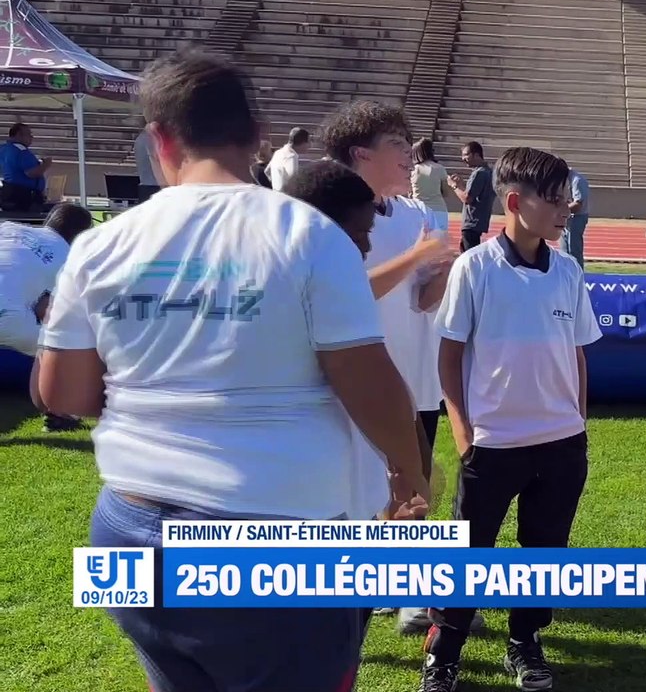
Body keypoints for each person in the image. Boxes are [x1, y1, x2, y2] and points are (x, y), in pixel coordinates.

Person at [36, 49, 433, 692]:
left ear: (157, 140)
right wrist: (409, 472)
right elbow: (368, 379)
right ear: (256, 137)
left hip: (130, 531)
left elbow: (63, 392)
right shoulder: (305, 234)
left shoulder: (102, 244)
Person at [420, 147, 601, 692]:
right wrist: (462, 431)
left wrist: (579, 421)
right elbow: (449, 355)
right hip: (492, 445)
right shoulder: (476, 267)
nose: (566, 206)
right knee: (471, 555)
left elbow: (578, 354)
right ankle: (445, 650)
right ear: (517, 202)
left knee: (543, 554)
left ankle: (525, 641)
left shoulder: (567, 271)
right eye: (554, 197)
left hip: (561, 444)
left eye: (567, 195)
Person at [319, 101, 453, 611]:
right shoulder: (323, 216)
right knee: (352, 494)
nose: (409, 154)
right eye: (397, 144)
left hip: (414, 379)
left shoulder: (417, 214)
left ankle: (409, 592)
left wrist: (442, 268)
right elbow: (342, 292)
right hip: (353, 382)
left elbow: (422, 300)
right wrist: (416, 257)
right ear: (360, 154)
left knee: (412, 486)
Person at [1, 202, 94, 432]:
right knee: (55, 350)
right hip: (8, 318)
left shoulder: (8, 228)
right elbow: (50, 311)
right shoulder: (69, 257)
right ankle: (59, 413)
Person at [449, 141, 495, 252]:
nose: (463, 158)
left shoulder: (479, 173)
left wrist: (454, 186)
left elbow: (467, 198)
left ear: (476, 155)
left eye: (466, 155)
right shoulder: (488, 172)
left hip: (472, 223)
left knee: (470, 257)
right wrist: (461, 185)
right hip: (478, 222)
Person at [0, 123, 52, 213]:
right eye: (29, 134)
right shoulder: (21, 151)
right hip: (24, 196)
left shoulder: (4, 149)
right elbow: (31, 173)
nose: (32, 137)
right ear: (19, 135)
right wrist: (46, 164)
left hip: (9, 193)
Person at [412, 138, 450, 215]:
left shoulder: (413, 170)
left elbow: (409, 192)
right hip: (439, 209)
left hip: (419, 209)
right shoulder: (439, 168)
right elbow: (445, 192)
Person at [561, 167, 589, 267]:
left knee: (574, 251)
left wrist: (559, 209)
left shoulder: (576, 180)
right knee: (564, 251)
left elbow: (578, 205)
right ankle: (566, 277)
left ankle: (577, 278)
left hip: (576, 217)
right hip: (566, 217)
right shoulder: (563, 180)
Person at [134, 126, 163, 203]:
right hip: (155, 186)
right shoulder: (152, 139)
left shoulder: (140, 139)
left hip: (145, 186)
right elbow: (154, 159)